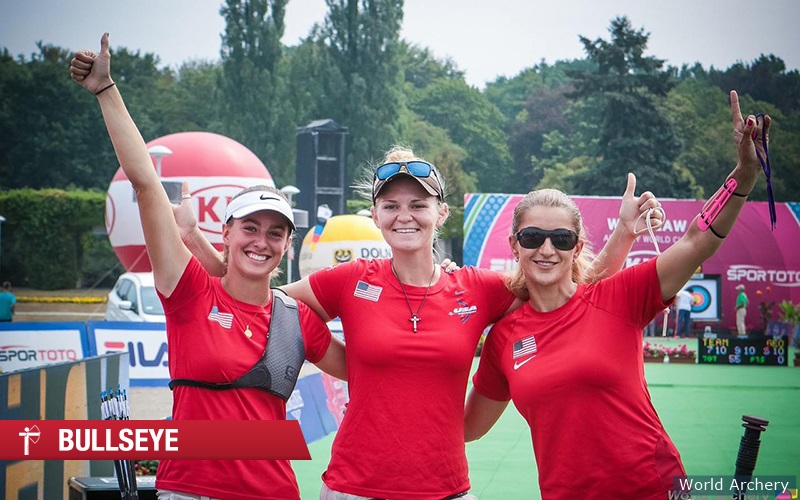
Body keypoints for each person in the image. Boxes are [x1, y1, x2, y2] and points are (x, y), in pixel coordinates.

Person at [180, 142, 661, 498]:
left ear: (441, 212)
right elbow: (255, 296)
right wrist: (202, 247)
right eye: (391, 206)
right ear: (376, 215)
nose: (403, 216)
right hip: (354, 486)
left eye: (418, 205)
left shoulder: (479, 288)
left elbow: (568, 290)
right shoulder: (347, 281)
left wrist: (622, 235)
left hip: (446, 488)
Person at [70, 33, 346, 500]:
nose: (261, 242)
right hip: (188, 491)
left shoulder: (296, 320)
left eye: (274, 233)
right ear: (228, 234)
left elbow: (372, 370)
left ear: (286, 246)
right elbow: (145, 185)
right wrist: (105, 90)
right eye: (250, 228)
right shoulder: (190, 293)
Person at [464, 90, 769, 499]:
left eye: (562, 237)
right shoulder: (504, 338)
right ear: (515, 244)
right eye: (533, 237)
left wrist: (743, 177)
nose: (547, 249)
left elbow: (697, 242)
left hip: (654, 489)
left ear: (577, 244)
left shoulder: (619, 297)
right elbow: (469, 427)